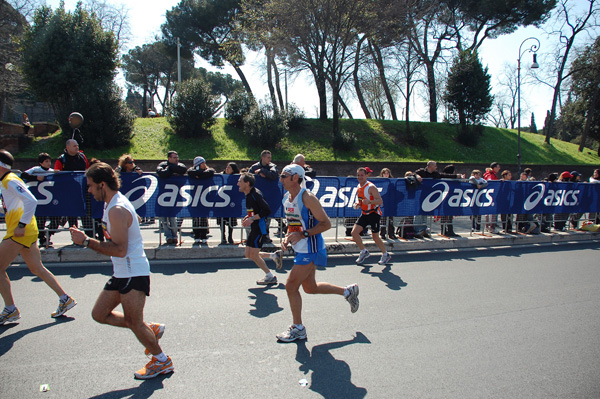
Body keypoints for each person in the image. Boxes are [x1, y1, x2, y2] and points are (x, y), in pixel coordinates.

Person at [69, 162, 173, 379]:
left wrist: (86, 241)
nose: (88, 190)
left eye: (90, 186)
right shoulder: (111, 204)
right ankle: (150, 330)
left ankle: (162, 361)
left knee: (135, 322)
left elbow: (119, 249)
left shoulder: (116, 209)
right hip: (122, 272)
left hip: (133, 272)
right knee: (99, 314)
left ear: (102, 184)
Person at [276, 164, 359, 342]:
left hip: (311, 248)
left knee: (290, 286)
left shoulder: (308, 198)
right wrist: (287, 237)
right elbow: (293, 222)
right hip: (301, 248)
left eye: (284, 175)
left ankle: (298, 328)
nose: (281, 178)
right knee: (310, 288)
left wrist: (303, 234)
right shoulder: (286, 198)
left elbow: (326, 224)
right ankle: (348, 291)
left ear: (295, 178)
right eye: (281, 175)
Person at [0, 149, 77, 325]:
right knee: (37, 269)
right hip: (25, 231)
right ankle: (65, 298)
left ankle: (10, 309)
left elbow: (31, 200)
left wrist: (21, 225)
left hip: (20, 232)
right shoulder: (6, 181)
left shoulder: (10, 180)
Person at [237, 172, 283, 285]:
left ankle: (270, 276)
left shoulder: (255, 194)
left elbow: (266, 210)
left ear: (247, 183)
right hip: (254, 227)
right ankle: (273, 256)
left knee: (253, 255)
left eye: (240, 181)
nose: (237, 183)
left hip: (259, 228)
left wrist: (252, 218)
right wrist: (248, 217)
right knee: (248, 254)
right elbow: (255, 211)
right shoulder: (248, 194)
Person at [53, 139, 93, 237]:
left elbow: (87, 170)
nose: (77, 147)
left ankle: (90, 235)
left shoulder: (82, 157)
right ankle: (75, 237)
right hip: (69, 192)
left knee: (86, 213)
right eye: (74, 146)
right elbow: (56, 173)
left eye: (77, 145)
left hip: (83, 190)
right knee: (72, 215)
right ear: (68, 147)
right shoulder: (61, 159)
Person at [352, 167, 392, 265]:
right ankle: (363, 251)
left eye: (362, 175)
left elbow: (380, 201)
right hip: (364, 213)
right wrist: (358, 204)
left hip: (373, 214)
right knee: (354, 233)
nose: (360, 177)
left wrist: (369, 201)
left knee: (375, 237)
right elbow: (362, 200)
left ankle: (385, 254)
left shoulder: (371, 187)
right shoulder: (358, 186)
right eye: (358, 175)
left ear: (366, 176)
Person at [20, 153, 58, 247]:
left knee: (56, 220)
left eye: (49, 161)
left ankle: (48, 233)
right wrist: (36, 178)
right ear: (41, 163)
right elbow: (23, 174)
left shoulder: (52, 171)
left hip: (50, 200)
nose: (49, 163)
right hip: (39, 201)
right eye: (46, 161)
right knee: (41, 221)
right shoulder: (36, 170)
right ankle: (42, 239)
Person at [156, 151, 187, 244]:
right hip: (163, 195)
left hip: (175, 196)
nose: (176, 159)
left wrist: (170, 168)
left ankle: (174, 236)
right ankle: (168, 236)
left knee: (172, 217)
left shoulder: (180, 165)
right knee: (163, 218)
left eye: (177, 157)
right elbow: (162, 173)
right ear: (169, 158)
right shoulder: (162, 165)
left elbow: (183, 170)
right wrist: (170, 169)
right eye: (174, 157)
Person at [249, 150, 279, 243]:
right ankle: (255, 235)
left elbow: (274, 175)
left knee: (267, 217)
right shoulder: (254, 167)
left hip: (269, 196)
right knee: (255, 216)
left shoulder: (272, 166)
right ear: (262, 157)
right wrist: (257, 174)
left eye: (270, 157)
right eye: (268, 157)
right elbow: (248, 177)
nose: (270, 159)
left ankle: (266, 235)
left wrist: (263, 171)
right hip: (256, 196)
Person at [188, 156, 215, 244]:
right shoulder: (191, 171)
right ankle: (196, 235)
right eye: (202, 163)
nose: (204, 164)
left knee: (204, 216)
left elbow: (210, 172)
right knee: (195, 217)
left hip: (205, 196)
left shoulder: (209, 170)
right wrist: (200, 174)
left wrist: (199, 175)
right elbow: (190, 172)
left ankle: (203, 235)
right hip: (194, 196)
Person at [218, 162, 240, 244]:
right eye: (227, 167)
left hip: (232, 202)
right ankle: (222, 237)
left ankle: (230, 236)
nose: (227, 168)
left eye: (229, 167)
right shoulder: (221, 176)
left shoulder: (236, 178)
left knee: (231, 221)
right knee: (221, 220)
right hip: (222, 202)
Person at [377, 168, 396, 240]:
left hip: (390, 203)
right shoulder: (380, 182)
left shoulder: (392, 182)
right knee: (383, 219)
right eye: (384, 173)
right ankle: (383, 233)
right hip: (382, 203)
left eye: (387, 173)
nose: (386, 175)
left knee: (390, 219)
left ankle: (391, 233)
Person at [483, 162, 501, 233]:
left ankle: (487, 227)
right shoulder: (491, 175)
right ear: (494, 168)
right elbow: (491, 182)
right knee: (493, 212)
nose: (499, 168)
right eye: (498, 167)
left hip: (488, 195)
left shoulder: (488, 174)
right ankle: (491, 227)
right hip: (492, 195)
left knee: (488, 212)